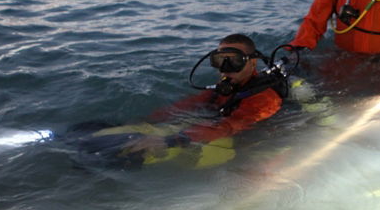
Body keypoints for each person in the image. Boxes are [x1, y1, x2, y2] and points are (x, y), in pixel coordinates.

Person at [121, 33, 284, 158]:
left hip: (249, 138)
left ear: (252, 62)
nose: (225, 68)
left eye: (234, 61)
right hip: (213, 125)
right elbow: (185, 106)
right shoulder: (224, 88)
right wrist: (147, 120)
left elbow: (231, 125)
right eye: (220, 60)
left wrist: (171, 141)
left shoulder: (264, 98)